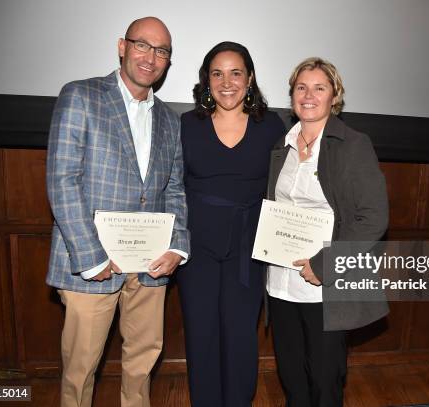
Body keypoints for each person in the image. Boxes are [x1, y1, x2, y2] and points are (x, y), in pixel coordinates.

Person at [46, 17, 189, 407]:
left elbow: (173, 189)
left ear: (167, 62)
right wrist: (90, 258)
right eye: (143, 45)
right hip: (92, 266)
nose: (151, 57)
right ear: (122, 47)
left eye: (162, 51)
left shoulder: (170, 121)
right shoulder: (80, 96)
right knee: (80, 369)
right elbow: (62, 179)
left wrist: (177, 246)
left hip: (150, 266)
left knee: (143, 364)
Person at [266, 57, 389, 407]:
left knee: (325, 380)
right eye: (301, 87)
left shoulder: (352, 144)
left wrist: (323, 265)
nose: (309, 95)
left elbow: (373, 218)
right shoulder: (280, 147)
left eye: (319, 88)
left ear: (334, 96)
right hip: (280, 283)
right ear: (292, 95)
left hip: (325, 287)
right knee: (292, 378)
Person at [177, 41, 285, 407]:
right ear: (206, 80)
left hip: (249, 247)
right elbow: (172, 186)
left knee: (241, 334)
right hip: (197, 248)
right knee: (201, 333)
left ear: (250, 78)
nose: (227, 82)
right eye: (217, 73)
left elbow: (285, 189)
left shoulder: (272, 127)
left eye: (236, 73)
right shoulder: (186, 125)